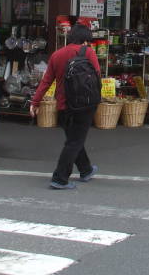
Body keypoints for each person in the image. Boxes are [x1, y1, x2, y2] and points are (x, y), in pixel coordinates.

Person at [30, 23, 100, 190]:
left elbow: (46, 81)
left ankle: (86, 169)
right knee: (74, 141)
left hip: (63, 105)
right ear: (84, 40)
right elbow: (97, 76)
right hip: (84, 105)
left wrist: (35, 102)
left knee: (74, 139)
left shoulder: (56, 55)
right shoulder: (88, 52)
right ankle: (60, 178)